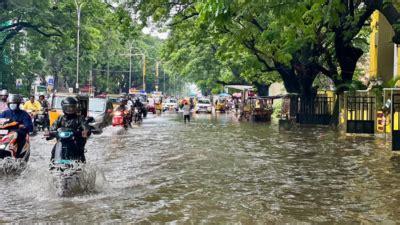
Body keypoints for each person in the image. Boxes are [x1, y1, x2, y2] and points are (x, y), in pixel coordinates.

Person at [50, 97, 90, 162]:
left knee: (80, 152)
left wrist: (85, 132)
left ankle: (81, 167)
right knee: (53, 151)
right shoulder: (60, 118)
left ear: (76, 107)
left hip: (75, 142)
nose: (70, 109)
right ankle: (52, 166)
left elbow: (86, 127)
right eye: (68, 107)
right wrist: (50, 133)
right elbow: (53, 127)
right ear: (64, 107)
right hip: (61, 142)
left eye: (72, 107)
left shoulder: (80, 118)